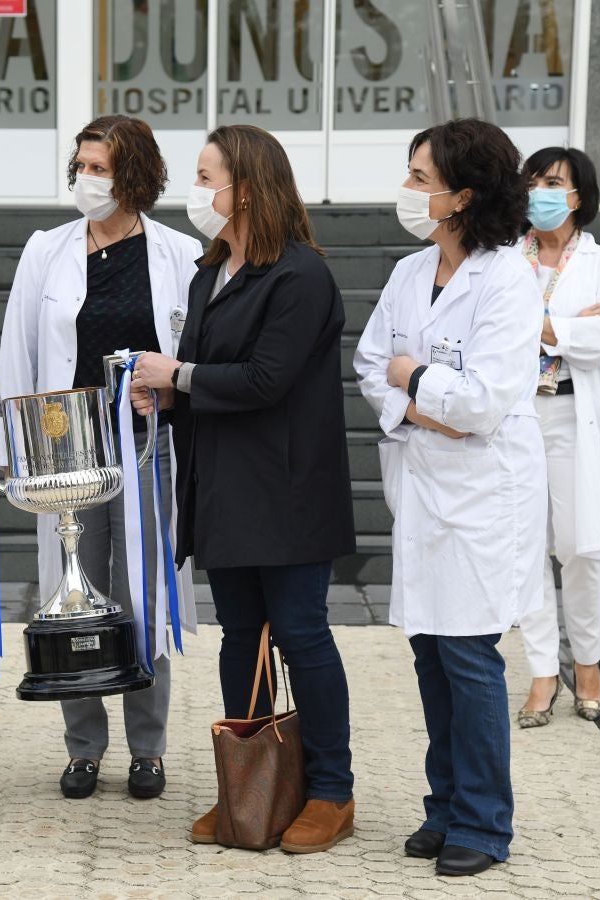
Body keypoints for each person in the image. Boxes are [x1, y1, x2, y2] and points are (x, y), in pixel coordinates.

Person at [131, 124, 357, 855]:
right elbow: (203, 377)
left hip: (287, 491)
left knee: (300, 635)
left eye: (207, 176)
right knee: (240, 638)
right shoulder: (211, 272)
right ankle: (252, 784)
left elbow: (266, 379)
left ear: (249, 188)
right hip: (222, 488)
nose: (195, 190)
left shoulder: (300, 276)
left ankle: (330, 791)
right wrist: (167, 396)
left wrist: (179, 375)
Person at [353, 118, 545, 876]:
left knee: (469, 655)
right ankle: (444, 807)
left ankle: (484, 823)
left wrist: (414, 381)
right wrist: (423, 402)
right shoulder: (410, 272)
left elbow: (484, 404)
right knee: (430, 652)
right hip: (424, 486)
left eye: (420, 178)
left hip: (482, 497)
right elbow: (370, 363)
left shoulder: (508, 279)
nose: (407, 190)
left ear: (463, 195)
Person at [0, 115, 201, 801]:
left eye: (100, 169)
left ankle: (148, 748)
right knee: (72, 593)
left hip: (145, 446)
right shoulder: (45, 250)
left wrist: (171, 399)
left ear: (135, 176)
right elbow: (20, 351)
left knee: (144, 595)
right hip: (65, 448)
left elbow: (193, 356)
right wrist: (19, 452)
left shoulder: (179, 254)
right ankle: (83, 747)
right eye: (81, 167)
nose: (86, 179)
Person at [513, 147, 600, 728]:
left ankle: (587, 663)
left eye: (553, 182)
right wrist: (567, 326)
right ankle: (542, 670)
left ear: (579, 195)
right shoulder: (505, 258)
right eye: (533, 182)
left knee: (581, 547)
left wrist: (535, 326)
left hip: (573, 414)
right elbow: (491, 333)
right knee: (525, 546)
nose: (541, 192)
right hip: (516, 415)